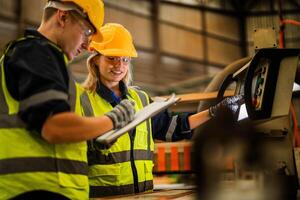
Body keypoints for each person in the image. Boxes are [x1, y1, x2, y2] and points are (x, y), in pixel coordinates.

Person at [81, 23, 243, 197]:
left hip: (141, 195)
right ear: (96, 59)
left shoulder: (141, 99)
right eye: (112, 58)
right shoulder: (82, 101)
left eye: (125, 59)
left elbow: (173, 127)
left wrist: (214, 111)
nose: (119, 65)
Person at [0, 1, 136, 200]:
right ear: (63, 17)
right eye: (87, 31)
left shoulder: (37, 57)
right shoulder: (37, 54)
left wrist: (93, 136)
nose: (88, 44)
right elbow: (55, 127)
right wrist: (112, 120)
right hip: (37, 190)